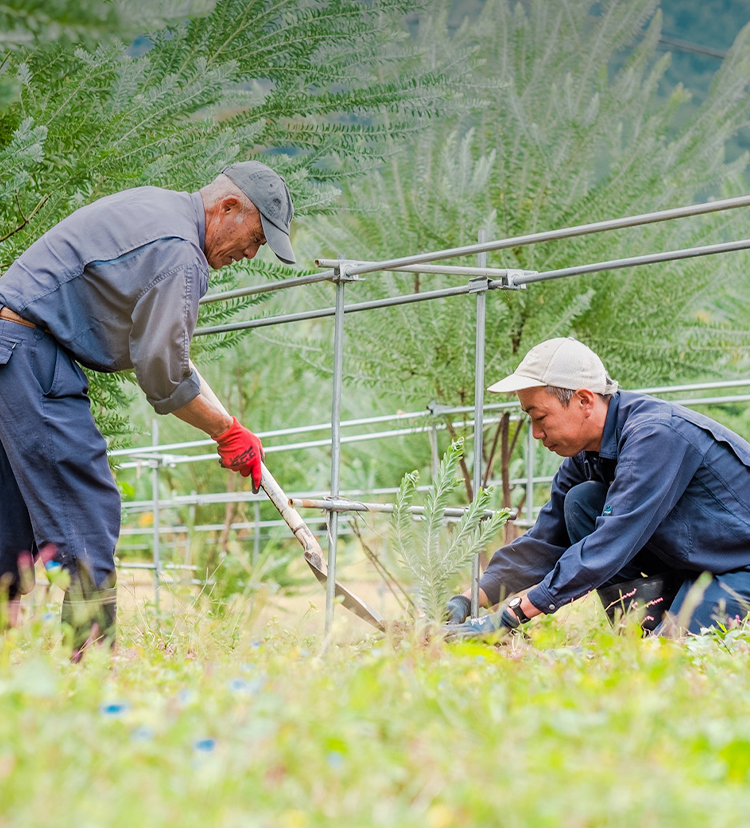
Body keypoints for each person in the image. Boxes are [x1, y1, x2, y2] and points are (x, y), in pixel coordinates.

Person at [0, 160, 295, 658]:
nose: (250, 253)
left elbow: (157, 349)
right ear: (227, 208)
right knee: (85, 509)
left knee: (8, 521)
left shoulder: (157, 210)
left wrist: (223, 422)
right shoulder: (181, 255)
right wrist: (226, 430)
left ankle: (10, 660)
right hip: (29, 354)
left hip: (13, 346)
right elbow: (162, 373)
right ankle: (93, 664)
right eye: (256, 238)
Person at [445, 337, 750, 638]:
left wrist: (513, 613)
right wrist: (471, 598)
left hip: (740, 567)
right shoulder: (588, 455)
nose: (536, 433)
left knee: (674, 653)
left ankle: (663, 638)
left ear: (584, 400)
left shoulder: (654, 435)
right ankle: (641, 630)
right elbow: (546, 539)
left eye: (541, 417)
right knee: (581, 501)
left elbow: (611, 540)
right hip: (698, 568)